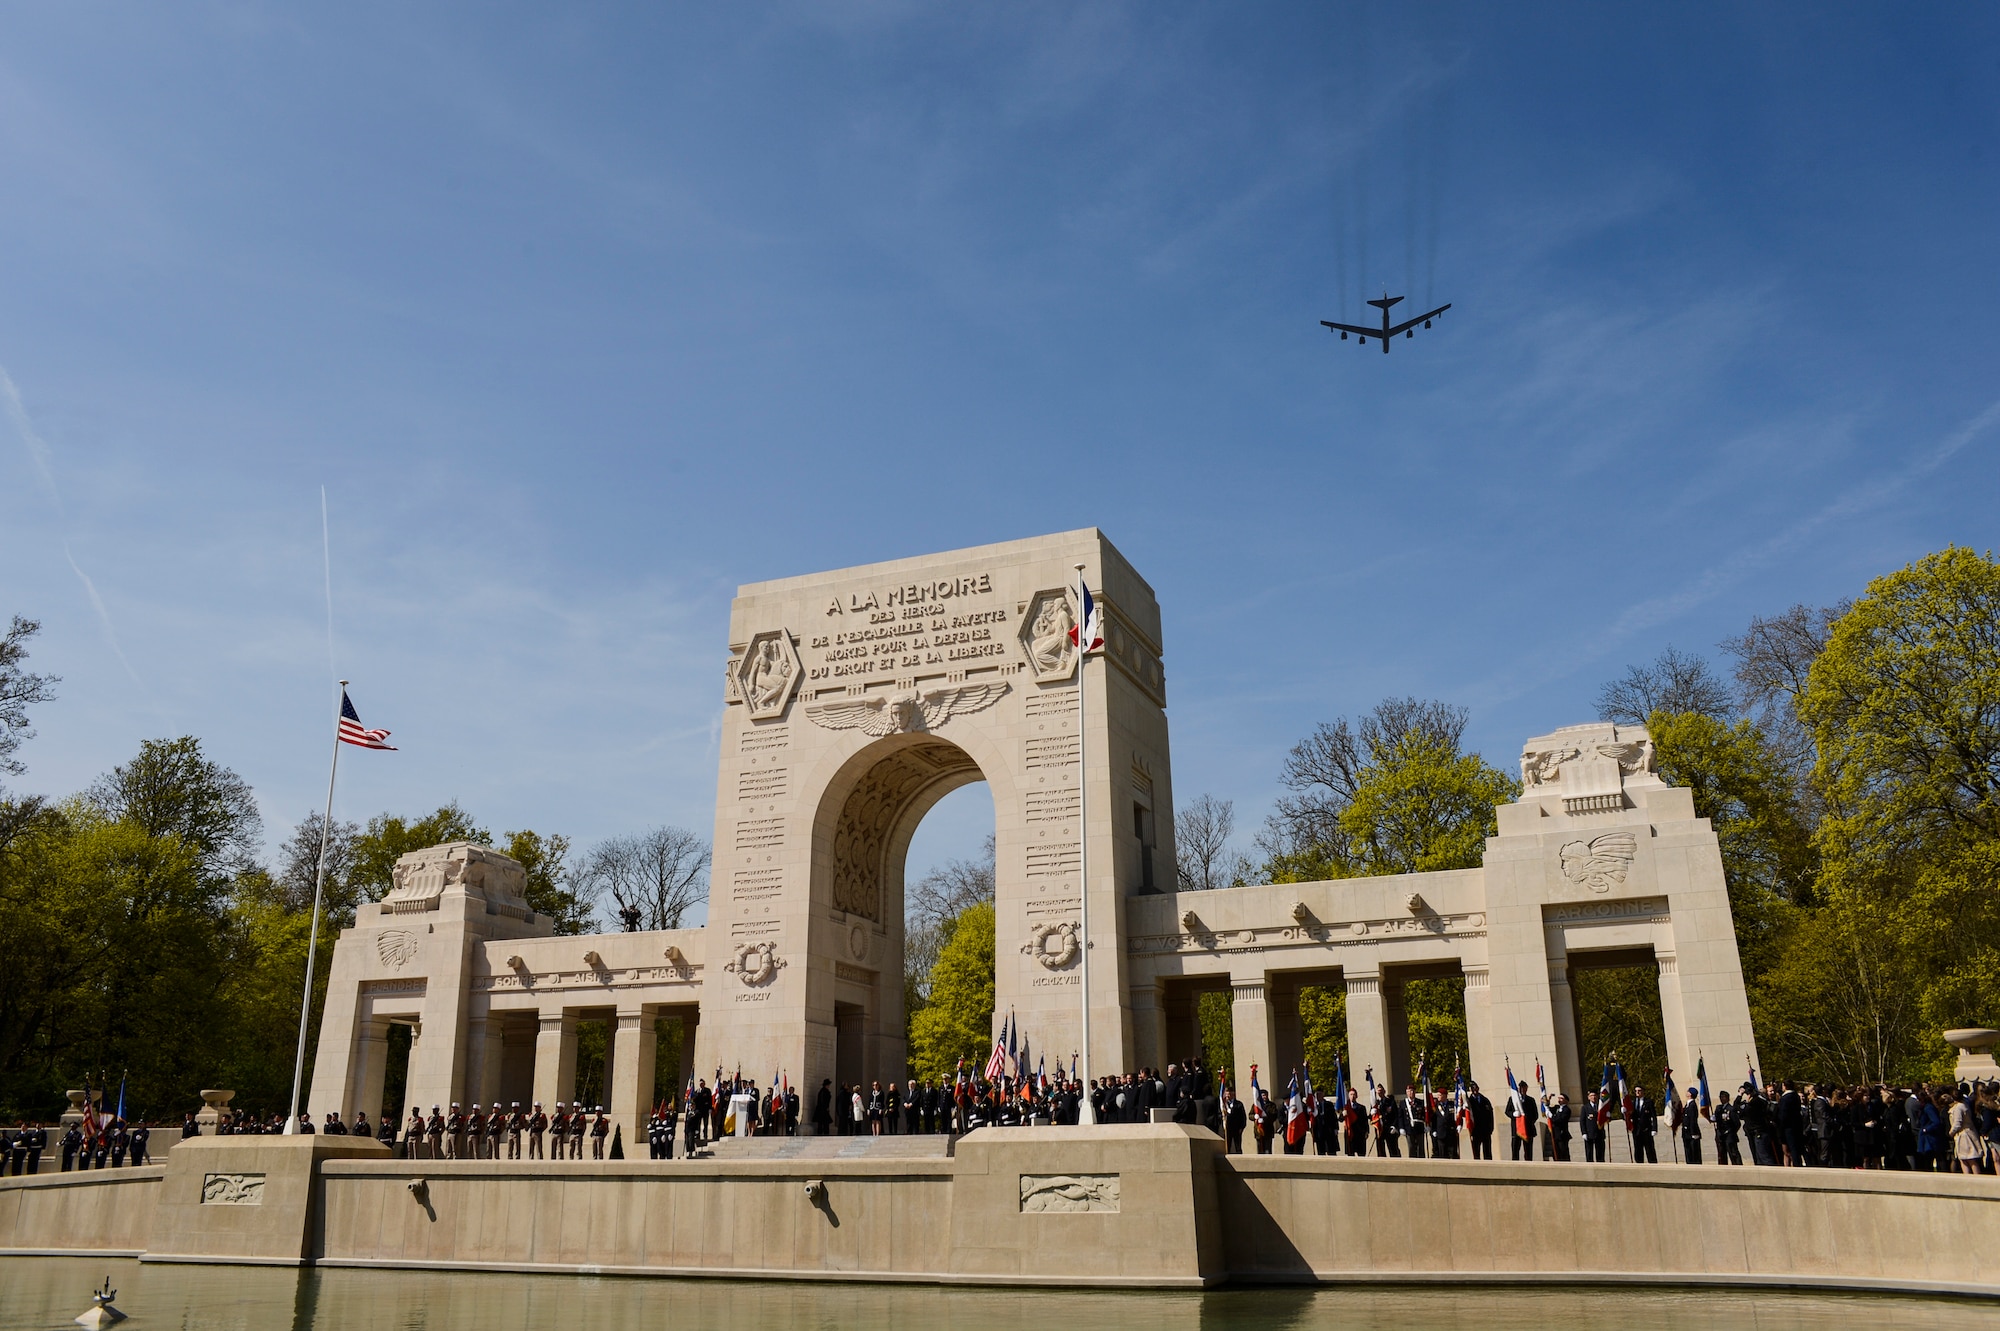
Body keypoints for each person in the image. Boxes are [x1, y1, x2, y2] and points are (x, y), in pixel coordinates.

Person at [1628, 1085, 1658, 1164]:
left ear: (1643, 1091)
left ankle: (1653, 1164)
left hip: (1646, 1130)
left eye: (1639, 1090)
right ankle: (1639, 1165)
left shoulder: (1649, 1102)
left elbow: (1654, 1116)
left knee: (1649, 1149)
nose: (1637, 1092)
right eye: (1636, 1091)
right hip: (1636, 1130)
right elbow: (1629, 1116)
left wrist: (1654, 1128)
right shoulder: (1633, 1103)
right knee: (1638, 1150)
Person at [1464, 1082, 1494, 1160]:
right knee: (1476, 1152)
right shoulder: (1469, 1102)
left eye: (1476, 1088)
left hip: (1486, 1130)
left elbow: (1490, 1115)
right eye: (1473, 1088)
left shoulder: (1485, 1100)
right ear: (1470, 1090)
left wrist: (1491, 1128)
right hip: (1475, 1130)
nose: (1475, 1090)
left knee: (1487, 1151)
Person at [1712, 1090, 1743, 1165]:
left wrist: (1731, 1132)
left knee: (1733, 1153)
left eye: (1723, 1097)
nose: (1721, 1099)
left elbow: (1737, 1123)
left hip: (1729, 1135)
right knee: (1722, 1154)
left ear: (1727, 1098)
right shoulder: (1718, 1108)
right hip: (1720, 1135)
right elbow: (1715, 1119)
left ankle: (1737, 1166)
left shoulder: (1731, 1109)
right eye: (1720, 1097)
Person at [1580, 1091, 1607, 1163]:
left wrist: (1608, 1115)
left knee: (1600, 1153)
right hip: (1589, 1133)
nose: (1593, 1097)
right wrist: (1584, 1133)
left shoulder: (1601, 1106)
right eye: (1591, 1096)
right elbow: (1582, 1121)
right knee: (1589, 1153)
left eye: (1595, 1095)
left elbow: (1606, 1118)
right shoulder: (1585, 1108)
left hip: (1599, 1133)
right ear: (1588, 1097)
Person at [1679, 1088, 1705, 1166]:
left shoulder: (1692, 1105)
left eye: (1688, 1091)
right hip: (1686, 1133)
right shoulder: (1687, 1104)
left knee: (1694, 1152)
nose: (1686, 1093)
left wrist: (1693, 1132)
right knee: (1688, 1151)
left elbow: (1693, 1119)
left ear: (1690, 1094)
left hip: (1691, 1133)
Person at [1546, 1093, 1572, 1162]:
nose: (1559, 1100)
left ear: (1566, 1101)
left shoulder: (1566, 1110)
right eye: (1558, 1098)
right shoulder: (1557, 1108)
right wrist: (1548, 1100)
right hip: (1555, 1134)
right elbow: (1547, 1108)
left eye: (1561, 1098)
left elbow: (1559, 1120)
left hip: (1562, 1134)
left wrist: (1552, 1116)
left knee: (1563, 1152)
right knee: (1555, 1152)